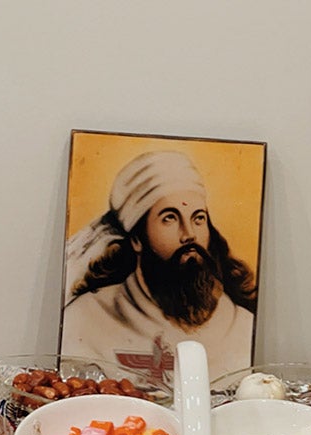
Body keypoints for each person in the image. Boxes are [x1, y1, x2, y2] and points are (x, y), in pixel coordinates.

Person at [62, 150, 257, 381]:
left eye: (198, 218)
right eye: (170, 218)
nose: (189, 235)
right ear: (136, 239)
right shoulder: (85, 320)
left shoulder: (242, 326)